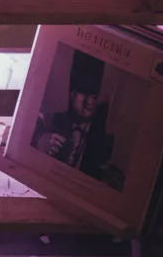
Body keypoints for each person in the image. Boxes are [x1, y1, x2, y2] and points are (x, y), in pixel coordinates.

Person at [31, 50, 123, 188]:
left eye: (94, 96)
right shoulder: (51, 121)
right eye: (84, 93)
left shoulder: (104, 138)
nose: (90, 102)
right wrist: (40, 142)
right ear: (72, 93)